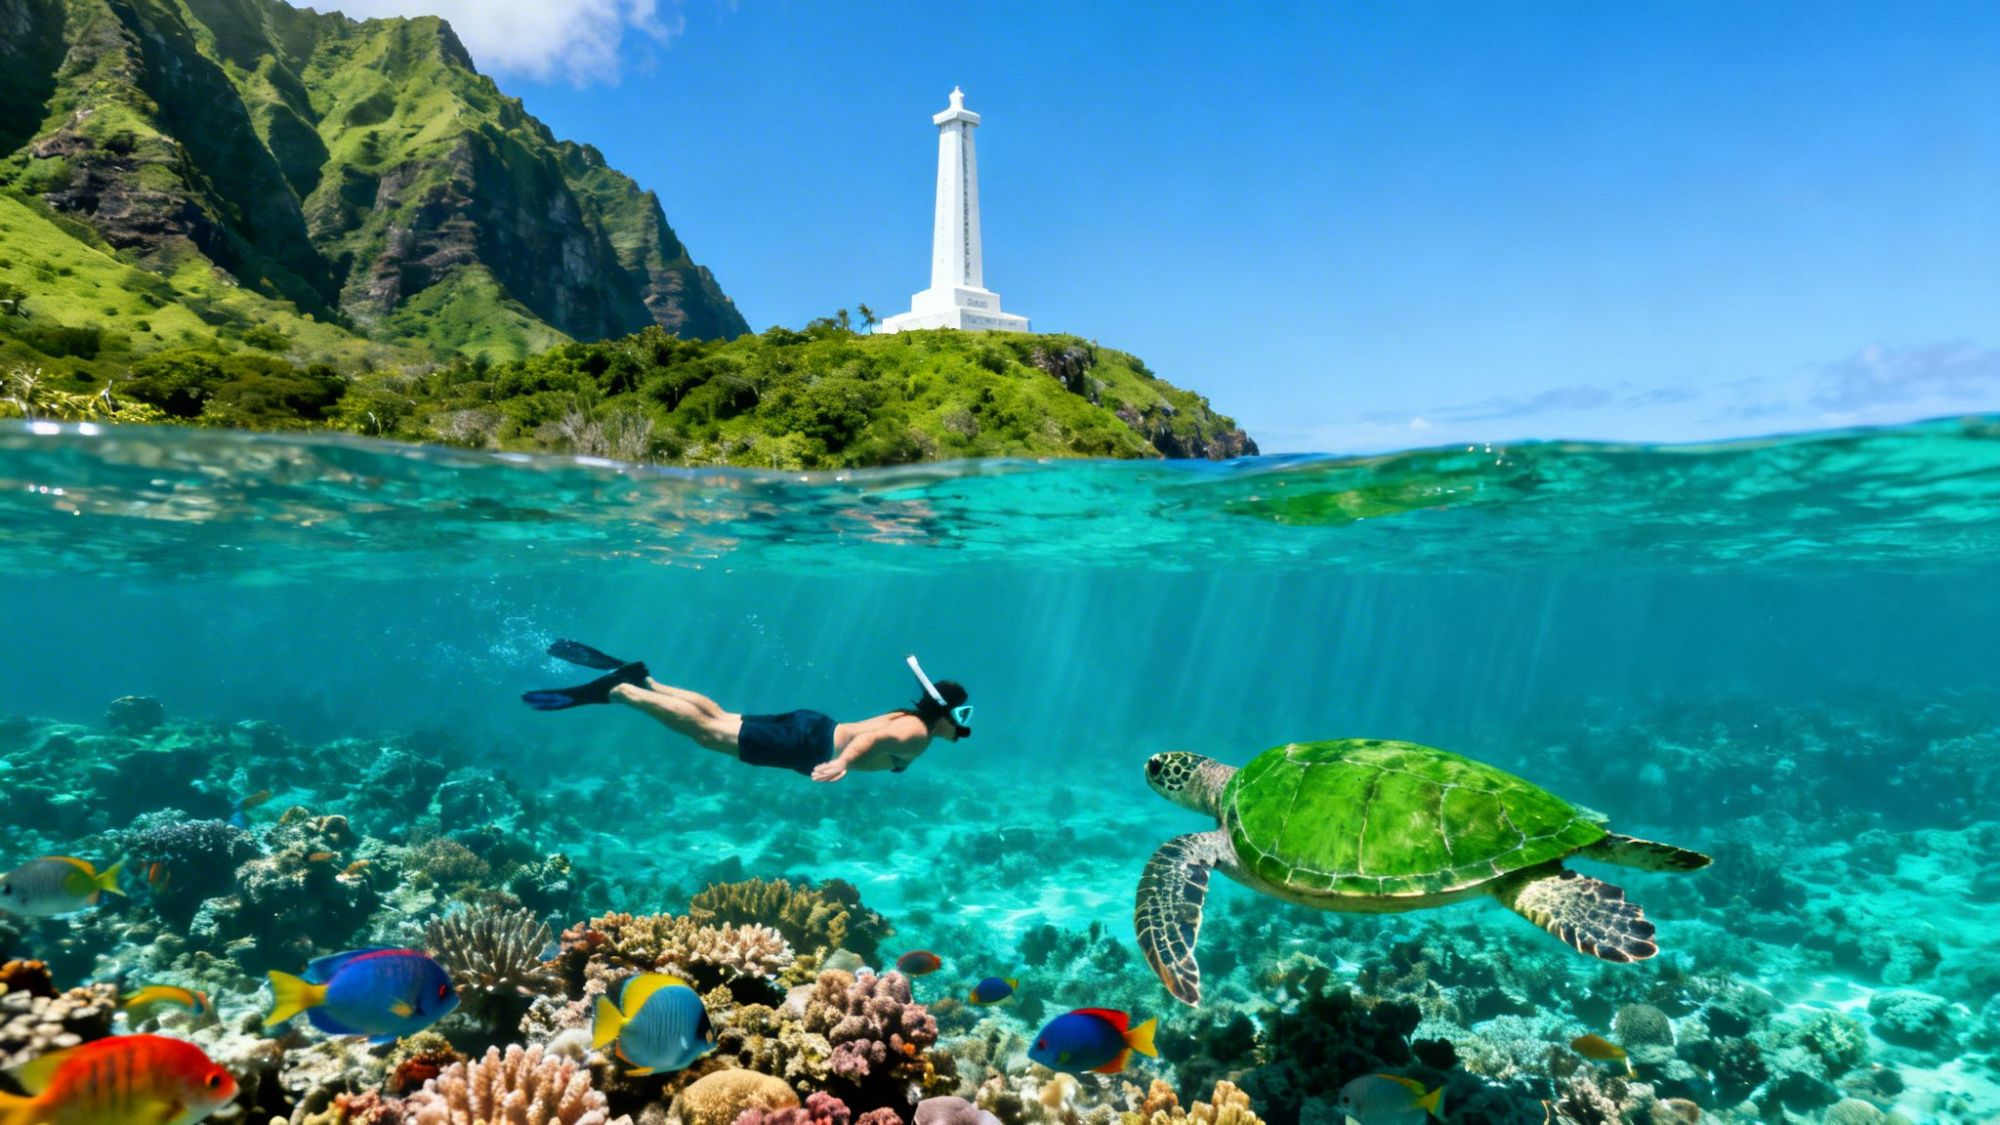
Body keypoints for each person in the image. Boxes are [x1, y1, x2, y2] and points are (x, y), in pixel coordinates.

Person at [522, 642, 971, 782]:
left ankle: (648, 682)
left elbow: (875, 734)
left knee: (720, 716)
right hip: (809, 744)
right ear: (945, 714)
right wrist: (842, 764)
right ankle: (623, 692)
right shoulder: (916, 734)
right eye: (963, 717)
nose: (963, 728)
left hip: (811, 726)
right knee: (707, 733)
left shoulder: (909, 718)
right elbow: (870, 741)